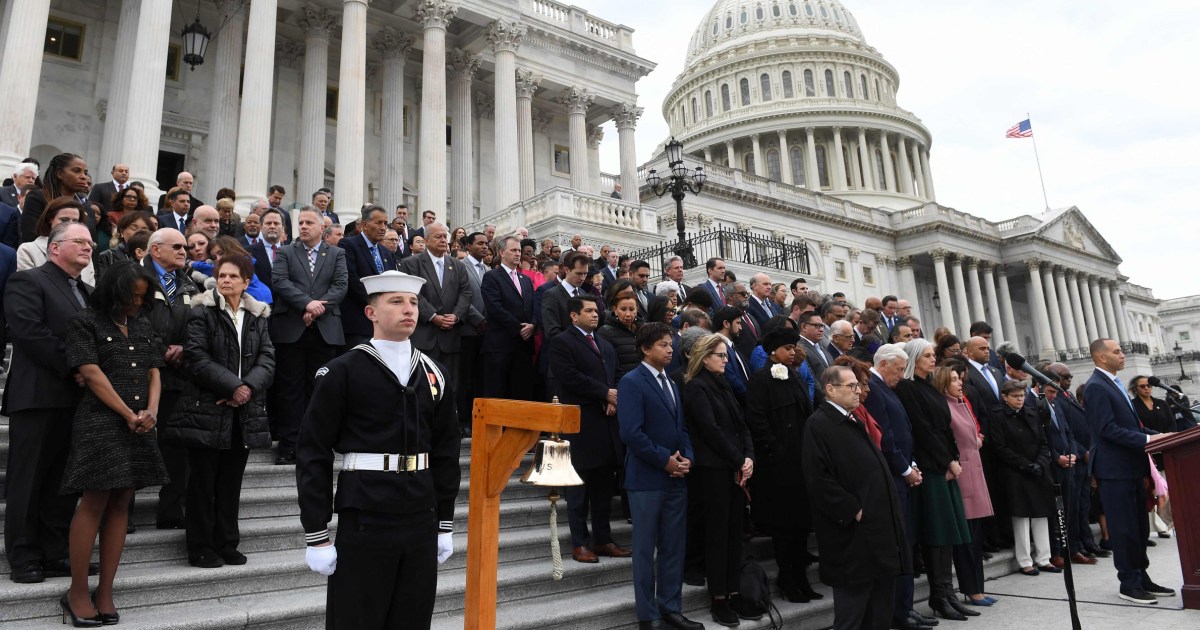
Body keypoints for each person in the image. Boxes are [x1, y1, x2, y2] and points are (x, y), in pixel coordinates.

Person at [296, 270, 461, 629]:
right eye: (396, 301)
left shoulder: (434, 373)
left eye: (414, 302)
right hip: (366, 514)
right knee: (357, 618)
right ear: (371, 313)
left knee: (412, 619)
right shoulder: (342, 371)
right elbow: (313, 451)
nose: (409, 310)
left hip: (420, 513)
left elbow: (447, 451)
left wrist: (444, 522)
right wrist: (316, 533)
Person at [59, 261, 169, 624]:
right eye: (130, 298)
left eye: (141, 298)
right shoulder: (85, 322)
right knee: (94, 501)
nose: (135, 305)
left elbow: (155, 371)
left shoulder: (141, 325)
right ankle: (77, 592)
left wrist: (151, 411)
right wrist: (128, 413)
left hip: (139, 424)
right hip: (100, 422)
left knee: (123, 502)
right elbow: (90, 373)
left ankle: (105, 590)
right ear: (113, 292)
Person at [3, 223, 100, 585]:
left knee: (64, 481)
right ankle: (25, 555)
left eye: (91, 242)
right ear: (55, 247)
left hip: (78, 400)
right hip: (39, 397)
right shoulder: (29, 281)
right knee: (28, 481)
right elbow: (30, 332)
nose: (89, 247)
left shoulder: (89, 292)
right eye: (80, 241)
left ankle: (55, 551)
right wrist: (77, 365)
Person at [168, 256, 275, 568]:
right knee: (202, 483)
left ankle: (227, 543)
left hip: (243, 409)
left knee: (231, 482)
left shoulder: (257, 315)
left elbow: (267, 358)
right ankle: (200, 546)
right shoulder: (201, 311)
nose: (226, 280)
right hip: (208, 407)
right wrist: (233, 387)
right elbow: (196, 358)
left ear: (245, 281)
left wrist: (247, 389)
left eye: (233, 276)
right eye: (221, 275)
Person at [803, 365, 910, 630]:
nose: (858, 391)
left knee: (879, 609)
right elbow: (818, 478)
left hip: (876, 527)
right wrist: (852, 509)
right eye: (851, 386)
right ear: (830, 389)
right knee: (853, 612)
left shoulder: (852, 418)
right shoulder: (819, 424)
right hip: (853, 534)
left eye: (858, 385)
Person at [618, 323, 703, 630]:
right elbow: (631, 433)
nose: (670, 349)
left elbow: (681, 428)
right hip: (645, 480)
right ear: (645, 348)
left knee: (673, 546)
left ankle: (670, 608)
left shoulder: (672, 382)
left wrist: (687, 458)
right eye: (663, 345)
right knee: (644, 550)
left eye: (670, 344)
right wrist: (664, 461)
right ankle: (648, 615)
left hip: (675, 478)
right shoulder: (632, 381)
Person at [1083, 339, 1175, 604]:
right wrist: (1147, 441)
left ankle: (1142, 577)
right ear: (1100, 358)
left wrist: (1162, 436)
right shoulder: (1096, 387)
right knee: (1123, 528)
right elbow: (1107, 429)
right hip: (1114, 470)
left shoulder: (1113, 383)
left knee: (1138, 528)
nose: (1122, 355)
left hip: (1132, 467)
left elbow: (1132, 426)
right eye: (1116, 352)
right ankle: (1129, 583)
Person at [894, 338, 973, 620]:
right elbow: (924, 431)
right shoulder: (908, 388)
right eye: (927, 355)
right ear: (914, 359)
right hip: (931, 467)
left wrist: (953, 459)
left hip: (944, 466)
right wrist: (947, 461)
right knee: (937, 533)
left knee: (949, 533)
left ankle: (948, 592)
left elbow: (944, 426)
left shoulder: (928, 386)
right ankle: (938, 595)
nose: (933, 359)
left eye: (932, 354)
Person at [681, 334, 757, 626]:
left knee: (734, 532)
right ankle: (719, 599)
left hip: (734, 468)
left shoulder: (723, 384)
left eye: (726, 355)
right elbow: (711, 430)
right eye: (720, 355)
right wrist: (739, 459)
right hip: (713, 471)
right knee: (717, 535)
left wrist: (748, 457)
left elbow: (742, 425)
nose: (726, 360)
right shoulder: (696, 388)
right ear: (704, 357)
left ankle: (735, 591)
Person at [549, 295, 630, 563]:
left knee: (604, 489)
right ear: (574, 316)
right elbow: (569, 376)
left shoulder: (605, 344)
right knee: (578, 489)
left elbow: (617, 373)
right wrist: (604, 394)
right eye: (589, 310)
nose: (596, 314)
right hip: (580, 425)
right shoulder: (562, 342)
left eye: (597, 310)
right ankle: (580, 543)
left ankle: (604, 540)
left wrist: (614, 398)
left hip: (606, 424)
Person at [744, 328, 820, 603]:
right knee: (784, 528)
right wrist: (775, 450)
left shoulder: (796, 377)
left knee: (801, 526)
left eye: (794, 347)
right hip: (778, 467)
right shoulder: (761, 380)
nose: (792, 352)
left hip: (800, 463)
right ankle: (788, 580)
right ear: (773, 351)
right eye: (787, 348)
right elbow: (757, 420)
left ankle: (801, 577)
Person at [268, 209, 348, 464]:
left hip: (324, 332)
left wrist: (317, 308)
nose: (303, 226)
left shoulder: (336, 253)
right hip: (291, 330)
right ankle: (289, 444)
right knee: (289, 390)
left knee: (319, 390)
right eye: (300, 222)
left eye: (308, 222)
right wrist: (306, 304)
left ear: (321, 228)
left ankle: (315, 444)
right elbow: (279, 281)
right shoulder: (286, 252)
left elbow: (340, 286)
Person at [141, 228, 203, 530]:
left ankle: (170, 511)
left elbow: (198, 326)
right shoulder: (134, 279)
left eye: (186, 246)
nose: (184, 250)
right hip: (138, 372)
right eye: (177, 246)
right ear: (155, 250)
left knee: (176, 446)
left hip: (177, 376)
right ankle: (121, 509)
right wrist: (159, 349)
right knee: (135, 441)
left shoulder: (189, 284)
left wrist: (185, 348)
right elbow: (130, 321)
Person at [937, 362, 996, 607]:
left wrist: (978, 439)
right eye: (953, 379)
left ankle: (978, 587)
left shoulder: (962, 404)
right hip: (962, 476)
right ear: (942, 383)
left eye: (959, 379)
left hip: (976, 473)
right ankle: (971, 589)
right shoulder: (945, 408)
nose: (960, 382)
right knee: (965, 539)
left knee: (975, 535)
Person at [991, 379, 1059, 577]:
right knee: (1021, 517)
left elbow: (1044, 441)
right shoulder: (998, 416)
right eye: (1015, 396)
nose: (1020, 400)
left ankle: (1044, 558)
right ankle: (1025, 560)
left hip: (1038, 470)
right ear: (1005, 397)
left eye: (1022, 396)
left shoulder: (1032, 412)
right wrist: (1025, 465)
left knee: (1041, 514)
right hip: (1016, 472)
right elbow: (1000, 447)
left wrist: (1040, 463)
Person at [398, 222, 472, 395]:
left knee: (449, 386)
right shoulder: (410, 264)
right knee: (422, 385)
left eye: (445, 236)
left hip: (450, 337)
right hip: (424, 336)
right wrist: (432, 316)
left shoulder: (458, 266)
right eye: (438, 236)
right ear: (426, 240)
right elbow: (413, 293)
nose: (443, 240)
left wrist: (456, 316)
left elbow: (465, 293)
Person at [480, 235, 537, 400]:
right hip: (500, 345)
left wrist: (533, 325)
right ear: (501, 252)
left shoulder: (525, 280)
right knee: (498, 393)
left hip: (523, 346)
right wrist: (520, 328)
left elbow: (532, 307)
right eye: (513, 250)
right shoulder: (492, 276)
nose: (518, 254)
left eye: (519, 250)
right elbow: (495, 308)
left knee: (521, 392)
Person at [340, 205, 397, 348]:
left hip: (383, 324)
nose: (383, 227)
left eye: (385, 223)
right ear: (365, 225)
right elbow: (352, 280)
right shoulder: (348, 245)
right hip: (357, 323)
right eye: (378, 223)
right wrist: (378, 304)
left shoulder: (387, 253)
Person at [17, 197, 96, 284]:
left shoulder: (85, 253)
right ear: (50, 219)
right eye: (64, 220)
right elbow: (28, 287)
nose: (70, 224)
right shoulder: (28, 250)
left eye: (75, 221)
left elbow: (90, 291)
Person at [20, 153, 89, 244]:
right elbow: (30, 237)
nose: (84, 176)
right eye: (76, 171)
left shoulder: (86, 206)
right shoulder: (37, 198)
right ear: (59, 174)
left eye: (85, 173)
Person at [95, 211, 153, 283]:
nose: (139, 232)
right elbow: (102, 287)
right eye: (134, 228)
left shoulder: (154, 255)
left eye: (144, 229)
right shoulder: (108, 256)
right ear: (122, 232)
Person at [598, 293, 642, 383]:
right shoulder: (606, 332)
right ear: (615, 309)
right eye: (623, 309)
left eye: (632, 309)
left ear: (637, 309)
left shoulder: (643, 328)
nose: (628, 314)